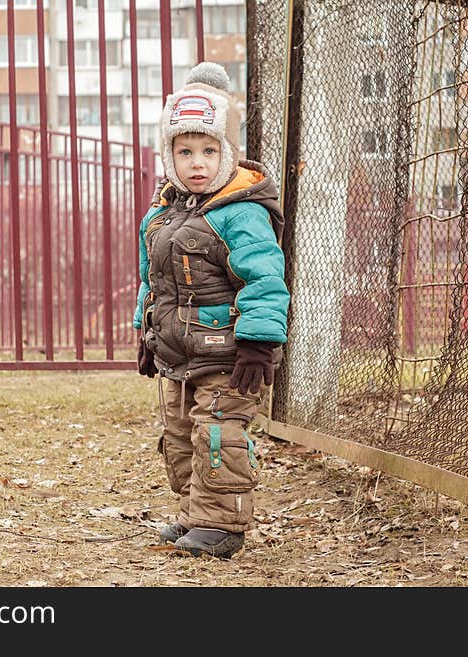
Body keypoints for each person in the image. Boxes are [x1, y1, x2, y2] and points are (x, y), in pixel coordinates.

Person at [132, 62, 290, 559]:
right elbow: (153, 283)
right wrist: (146, 333)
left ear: (228, 152)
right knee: (180, 436)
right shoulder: (161, 215)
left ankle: (222, 525)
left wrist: (260, 341)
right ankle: (196, 513)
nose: (196, 163)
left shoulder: (240, 212)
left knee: (218, 433)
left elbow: (264, 278)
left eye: (208, 150)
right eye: (184, 151)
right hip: (179, 352)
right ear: (168, 156)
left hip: (230, 353)